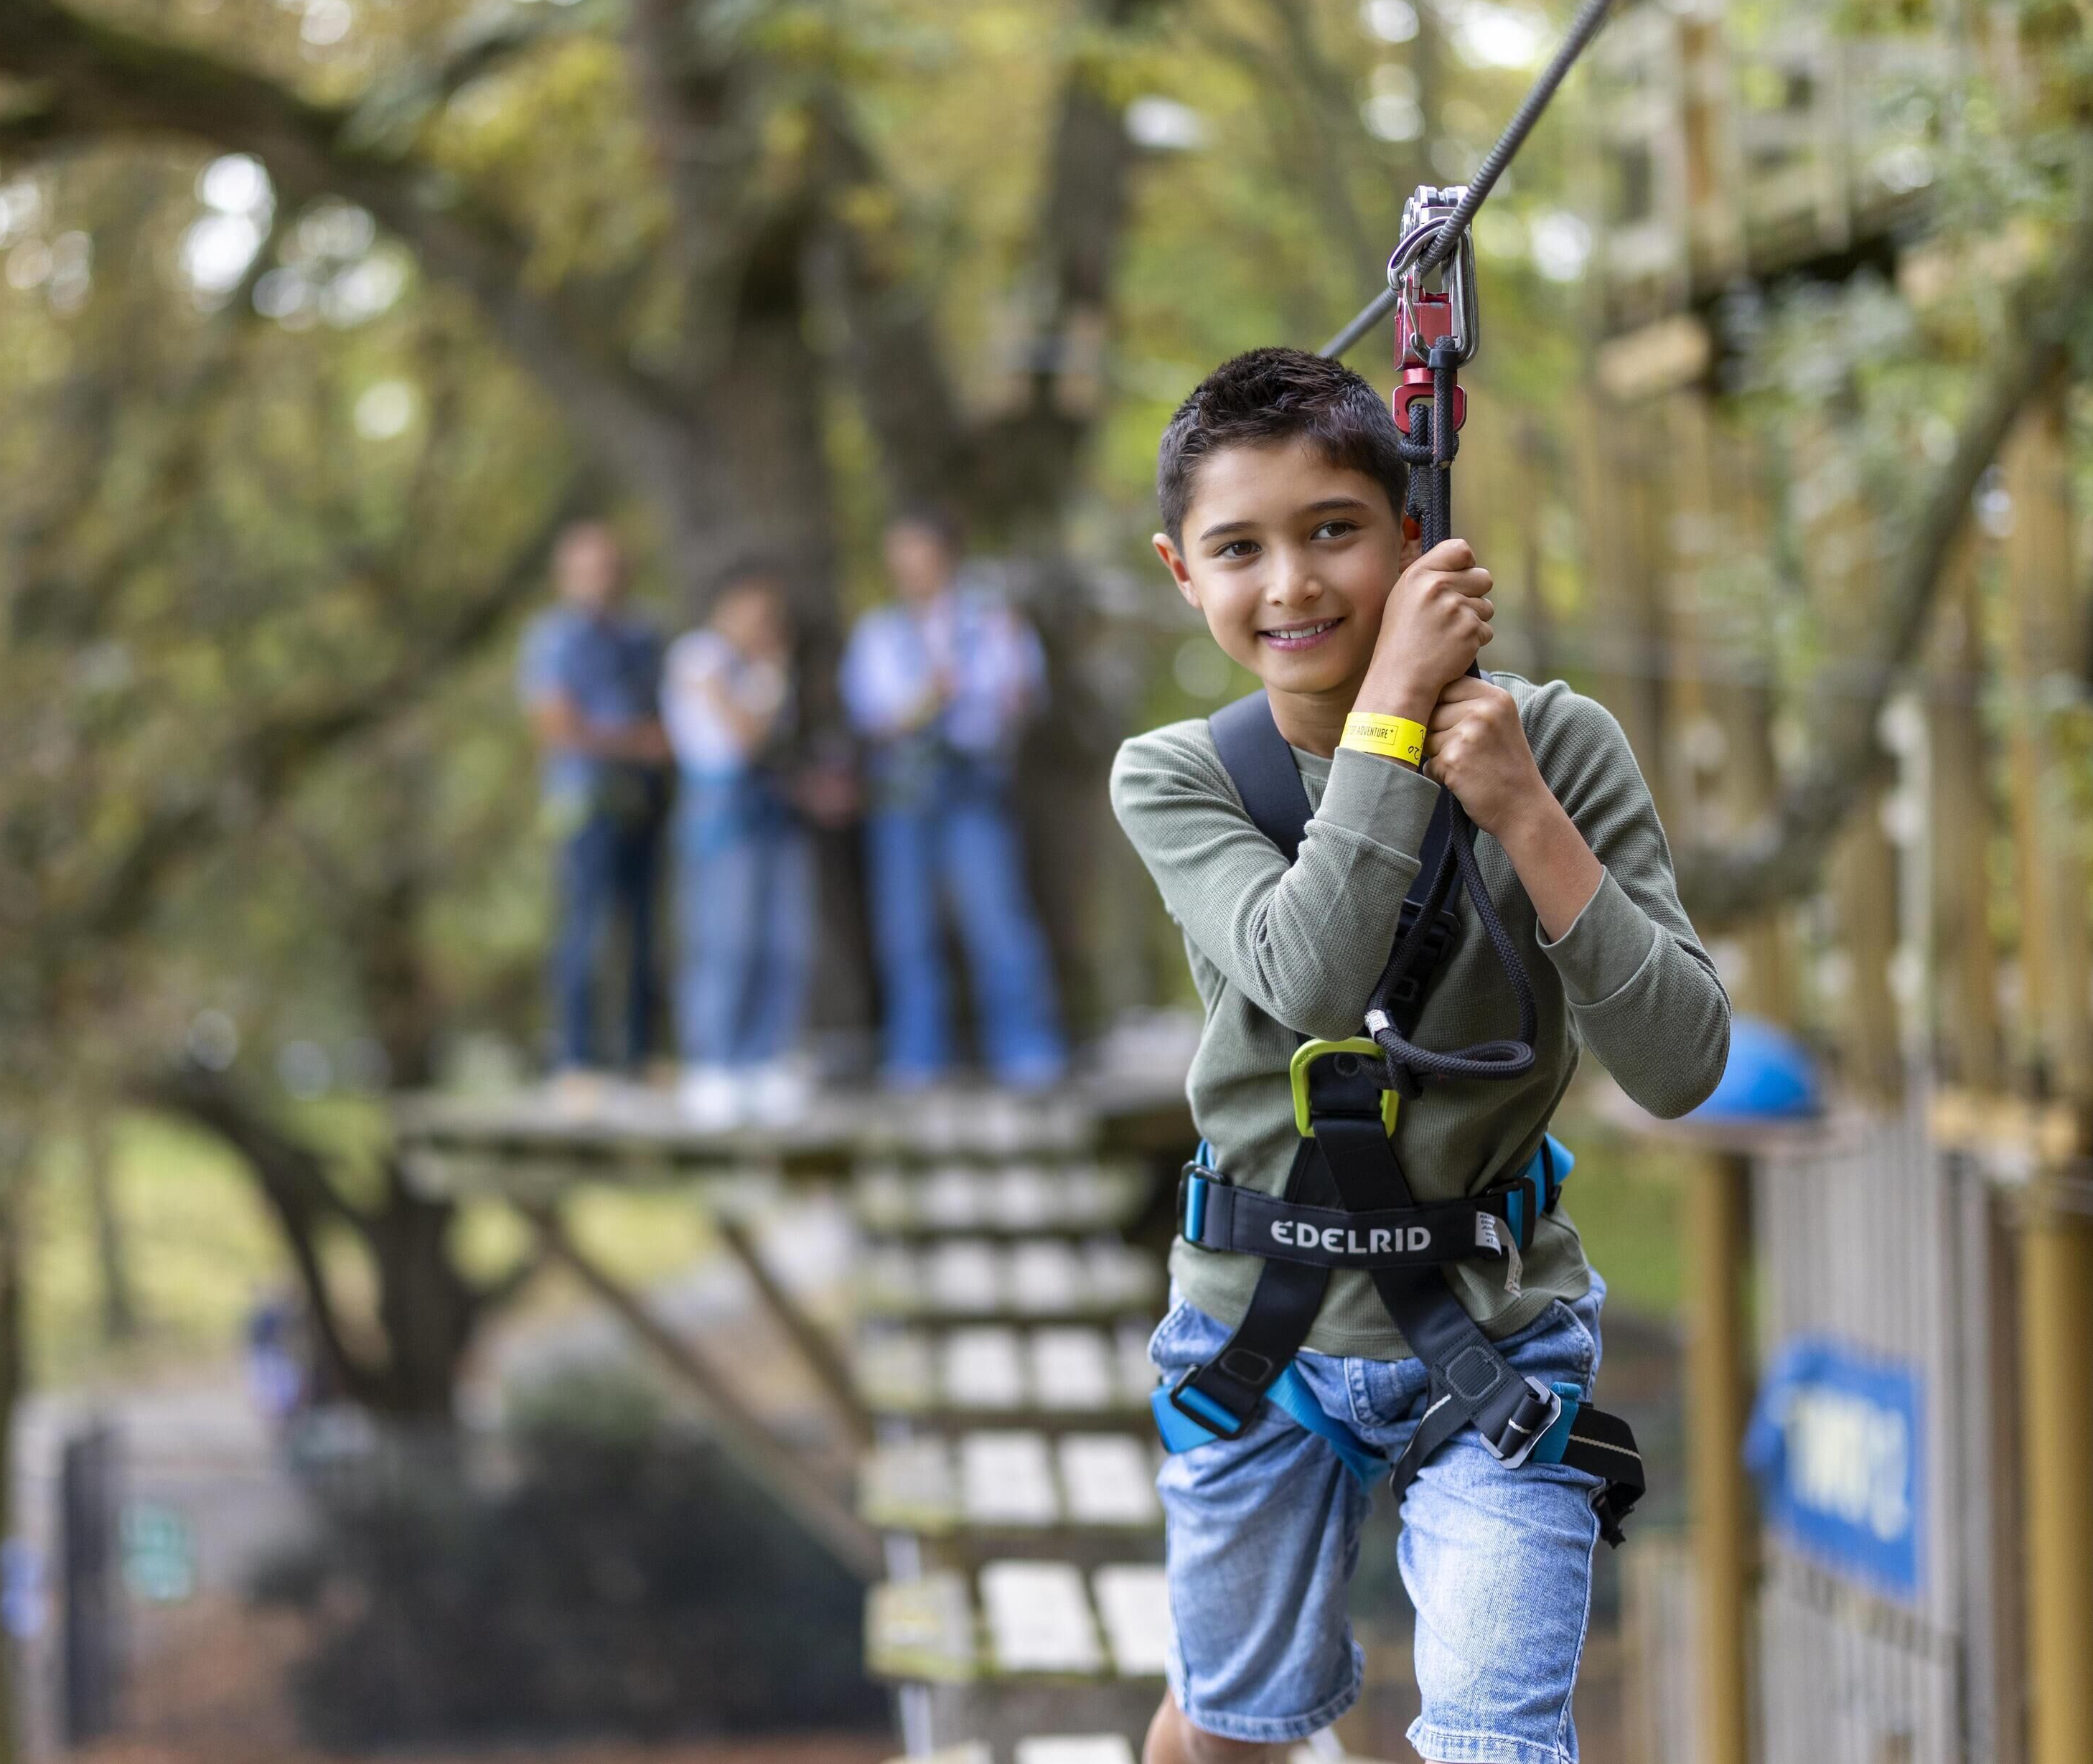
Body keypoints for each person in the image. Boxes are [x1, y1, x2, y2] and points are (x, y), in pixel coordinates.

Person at [1110, 348, 1730, 1764]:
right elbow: (1311, 977)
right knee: (1234, 1728)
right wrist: (1392, 708)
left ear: (1411, 534)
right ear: (1180, 571)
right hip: (1258, 1333)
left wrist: (1523, 811)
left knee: (1498, 1738)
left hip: (1493, 1327)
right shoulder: (1180, 775)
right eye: (1239, 548)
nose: (1293, 584)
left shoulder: (1554, 742)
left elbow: (1682, 1062)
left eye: (1333, 529)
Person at [840, 510, 1067, 1090]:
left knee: (998, 919)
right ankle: (917, 1057)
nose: (909, 566)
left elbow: (1021, 700)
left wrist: (1001, 682)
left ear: (947, 555)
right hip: (903, 793)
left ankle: (1027, 1050)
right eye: (899, 555)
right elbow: (873, 720)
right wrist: (929, 698)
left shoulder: (992, 622)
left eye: (919, 552)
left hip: (973, 787)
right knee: (906, 929)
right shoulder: (879, 633)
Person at [660, 566, 813, 1129]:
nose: (761, 625)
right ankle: (712, 1062)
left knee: (780, 938)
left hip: (772, 807)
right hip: (720, 807)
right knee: (724, 938)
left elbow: (767, 733)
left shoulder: (762, 670)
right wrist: (765, 677)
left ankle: (764, 1058)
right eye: (753, 611)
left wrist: (762, 679)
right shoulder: (698, 655)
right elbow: (744, 736)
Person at [518, 521, 669, 1082]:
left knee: (645, 930)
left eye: (610, 567)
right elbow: (556, 725)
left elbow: (668, 718)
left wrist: (643, 743)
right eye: (589, 569)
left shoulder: (645, 635)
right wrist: (634, 742)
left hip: (646, 799)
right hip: (584, 801)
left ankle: (639, 1056)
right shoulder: (551, 638)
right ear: (565, 576)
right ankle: (575, 1060)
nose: (602, 580)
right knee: (584, 930)